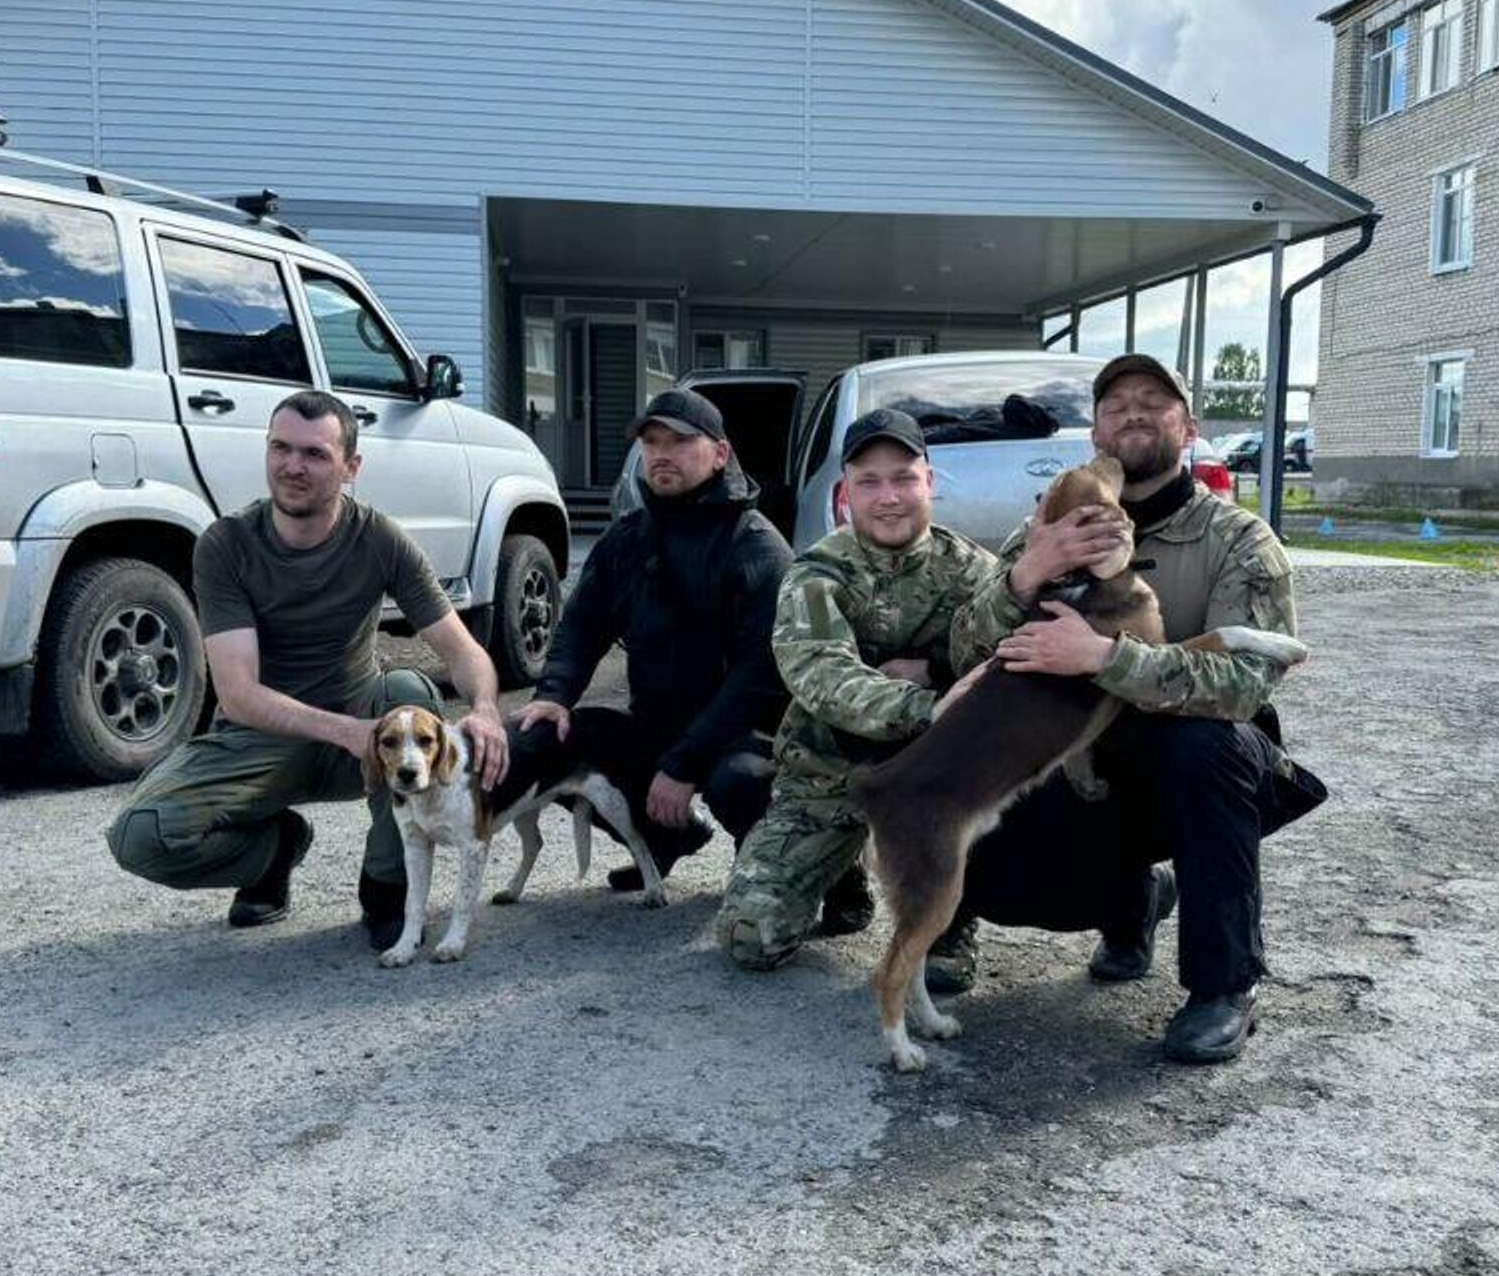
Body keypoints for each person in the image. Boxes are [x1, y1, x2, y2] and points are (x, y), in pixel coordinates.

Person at [947, 353, 1326, 1063]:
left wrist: (1103, 658)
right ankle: (1136, 901)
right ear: (1095, 430)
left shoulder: (1238, 540)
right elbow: (964, 652)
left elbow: (1246, 683)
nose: (1134, 412)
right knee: (994, 875)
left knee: (1207, 747)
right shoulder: (1048, 530)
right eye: (1116, 402)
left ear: (1189, 427)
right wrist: (1027, 572)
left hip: (1181, 774)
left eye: (1155, 400)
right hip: (1075, 767)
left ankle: (1225, 986)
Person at [105, 389, 508, 947]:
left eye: (315, 454)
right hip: (261, 740)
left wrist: (486, 710)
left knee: (409, 691)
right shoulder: (226, 545)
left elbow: (462, 651)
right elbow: (240, 693)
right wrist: (348, 733)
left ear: (351, 467)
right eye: (280, 448)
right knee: (140, 836)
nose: (293, 466)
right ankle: (273, 854)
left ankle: (386, 887)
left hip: (366, 732)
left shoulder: (380, 539)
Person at [717, 407, 997, 981]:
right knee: (750, 937)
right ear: (846, 493)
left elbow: (1007, 662)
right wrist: (929, 704)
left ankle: (954, 922)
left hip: (935, 786)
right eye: (869, 481)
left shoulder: (975, 573)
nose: (888, 496)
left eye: (903, 478)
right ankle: (843, 869)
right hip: (830, 775)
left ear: (930, 483)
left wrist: (935, 667)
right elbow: (821, 675)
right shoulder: (816, 573)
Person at [511, 388, 793, 888]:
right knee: (546, 739)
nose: (661, 453)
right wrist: (553, 695)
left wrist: (685, 763)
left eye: (680, 441)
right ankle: (664, 839)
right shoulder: (625, 539)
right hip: (657, 725)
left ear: (720, 453)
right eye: (651, 441)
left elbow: (762, 675)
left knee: (742, 783)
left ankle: (765, 865)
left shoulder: (757, 547)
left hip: (741, 734)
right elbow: (581, 627)